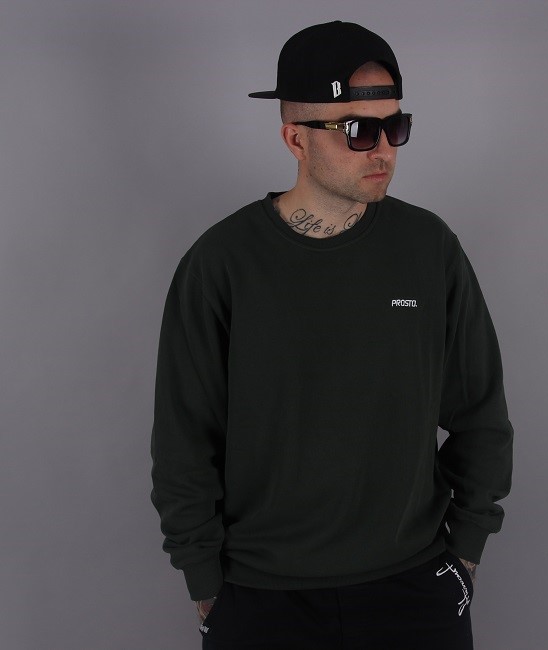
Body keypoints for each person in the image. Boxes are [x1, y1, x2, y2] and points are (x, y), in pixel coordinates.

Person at [151, 20, 513, 650]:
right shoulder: (222, 263)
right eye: (359, 131)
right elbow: (185, 438)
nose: (384, 151)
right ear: (295, 137)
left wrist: (466, 550)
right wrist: (204, 578)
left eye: (396, 127)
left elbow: (480, 413)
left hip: (415, 588)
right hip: (261, 595)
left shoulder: (429, 248)